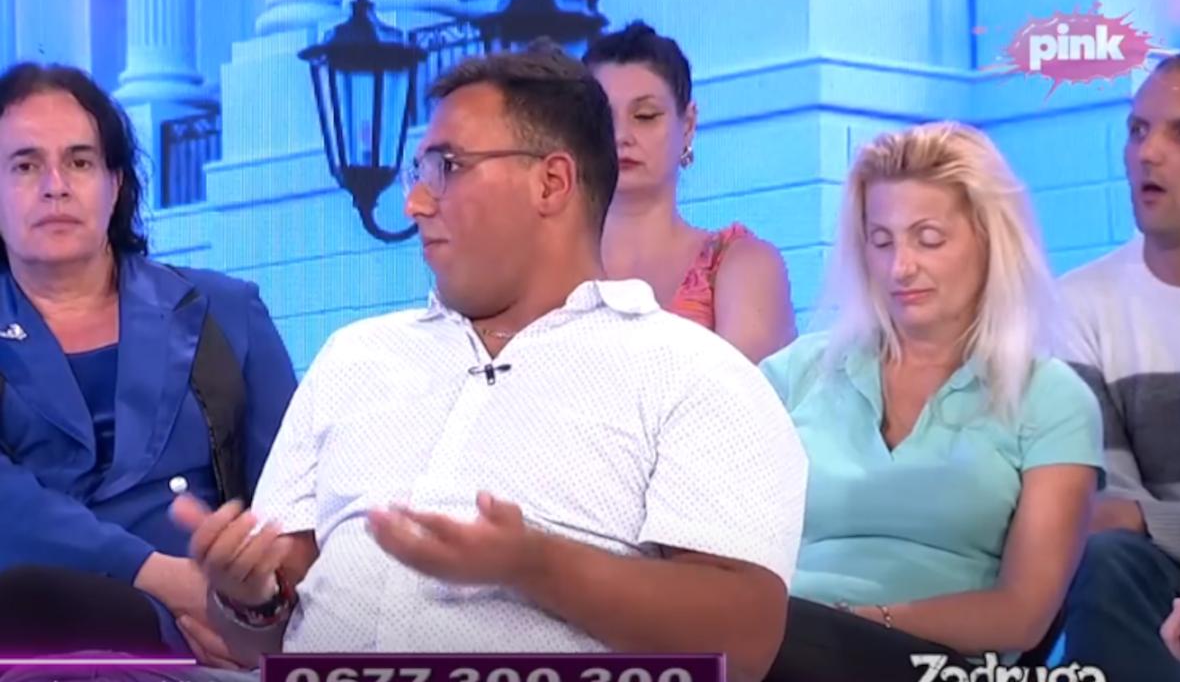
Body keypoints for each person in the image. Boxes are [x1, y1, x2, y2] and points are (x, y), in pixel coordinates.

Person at [171, 44, 807, 682]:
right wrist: (250, 595)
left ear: (551, 183)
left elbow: (744, 640)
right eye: (418, 172)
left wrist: (536, 565)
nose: (415, 204)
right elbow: (262, 633)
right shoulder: (354, 356)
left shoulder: (693, 374)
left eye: (448, 167)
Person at [758, 121, 1103, 682]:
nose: (901, 267)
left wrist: (861, 623)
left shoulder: (1051, 397)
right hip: (777, 643)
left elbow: (1021, 616)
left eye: (929, 239)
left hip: (934, 662)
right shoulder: (798, 372)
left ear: (989, 241)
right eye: (882, 241)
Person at [0, 63, 297, 664]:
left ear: (115, 184)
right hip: (35, 621)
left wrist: (257, 618)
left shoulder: (226, 311)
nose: (55, 185)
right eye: (25, 165)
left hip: (215, 629)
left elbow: (294, 504)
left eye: (80, 162)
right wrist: (158, 575)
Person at [1057, 52, 1180, 682]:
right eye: (1138, 130)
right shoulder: (1076, 305)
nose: (1149, 153)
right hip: (1156, 604)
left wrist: (1153, 520)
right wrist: (1148, 526)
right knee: (1106, 561)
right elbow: (1106, 511)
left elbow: (1136, 516)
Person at [583, 21, 796, 363]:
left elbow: (740, 391)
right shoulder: (542, 270)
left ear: (688, 124)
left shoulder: (737, 265)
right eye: (603, 119)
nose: (621, 136)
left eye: (645, 116)